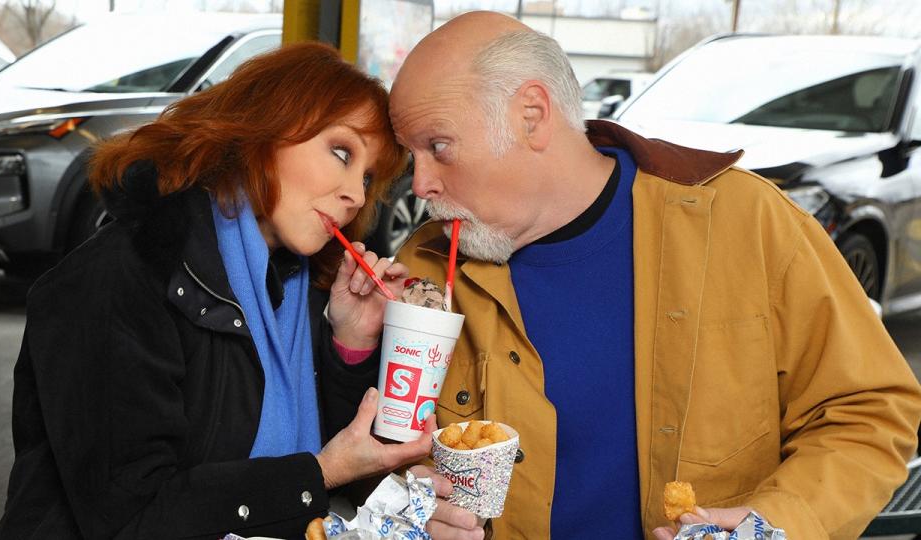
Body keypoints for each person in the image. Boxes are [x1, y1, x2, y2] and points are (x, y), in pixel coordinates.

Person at [392, 11, 921, 540]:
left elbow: (867, 412)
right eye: (410, 156)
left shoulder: (750, 223)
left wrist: (779, 524)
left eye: (438, 147)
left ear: (531, 115)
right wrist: (414, 500)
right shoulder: (425, 268)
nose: (419, 185)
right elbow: (388, 455)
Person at [0, 42, 434, 539]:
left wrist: (350, 343)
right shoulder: (117, 279)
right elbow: (132, 519)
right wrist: (319, 473)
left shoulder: (302, 285)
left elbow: (348, 467)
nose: (356, 194)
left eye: (369, 176)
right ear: (263, 129)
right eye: (341, 152)